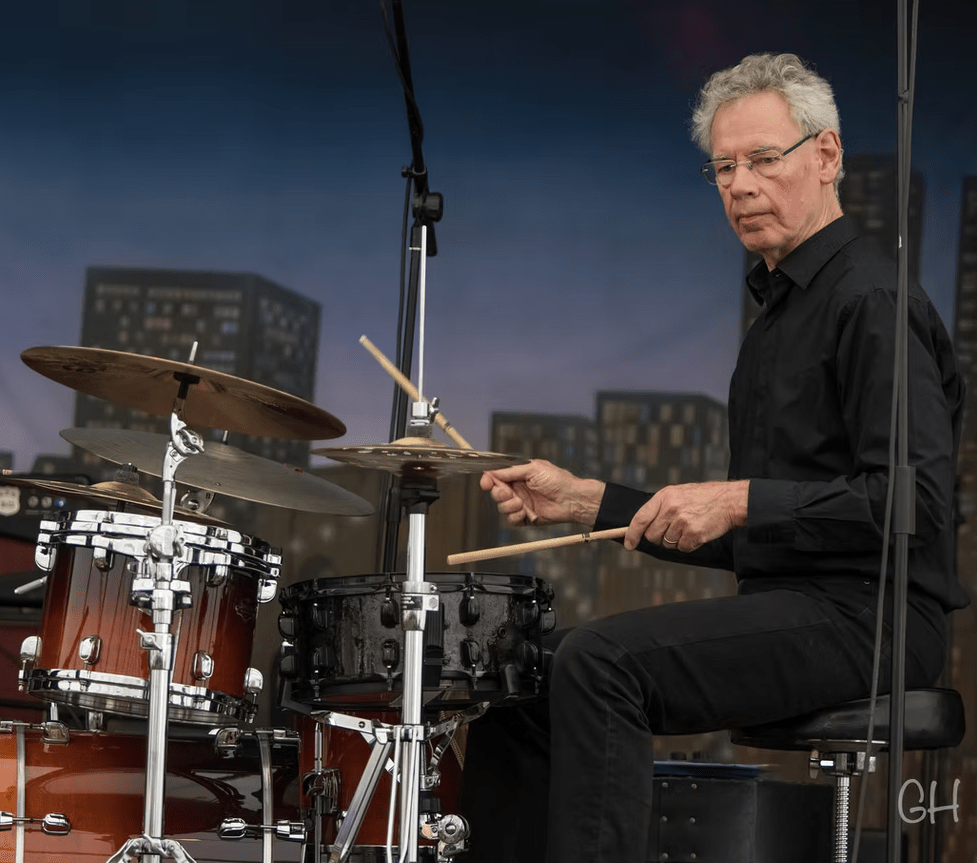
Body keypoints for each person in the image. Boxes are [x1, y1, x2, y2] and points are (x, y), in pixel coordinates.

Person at [457, 52, 969, 863]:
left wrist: (734, 500)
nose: (739, 184)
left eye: (762, 159)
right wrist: (588, 501)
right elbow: (760, 532)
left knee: (598, 662)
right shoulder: (774, 321)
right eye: (724, 167)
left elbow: (916, 505)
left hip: (872, 620)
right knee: (519, 672)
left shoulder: (870, 298)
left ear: (825, 155)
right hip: (794, 603)